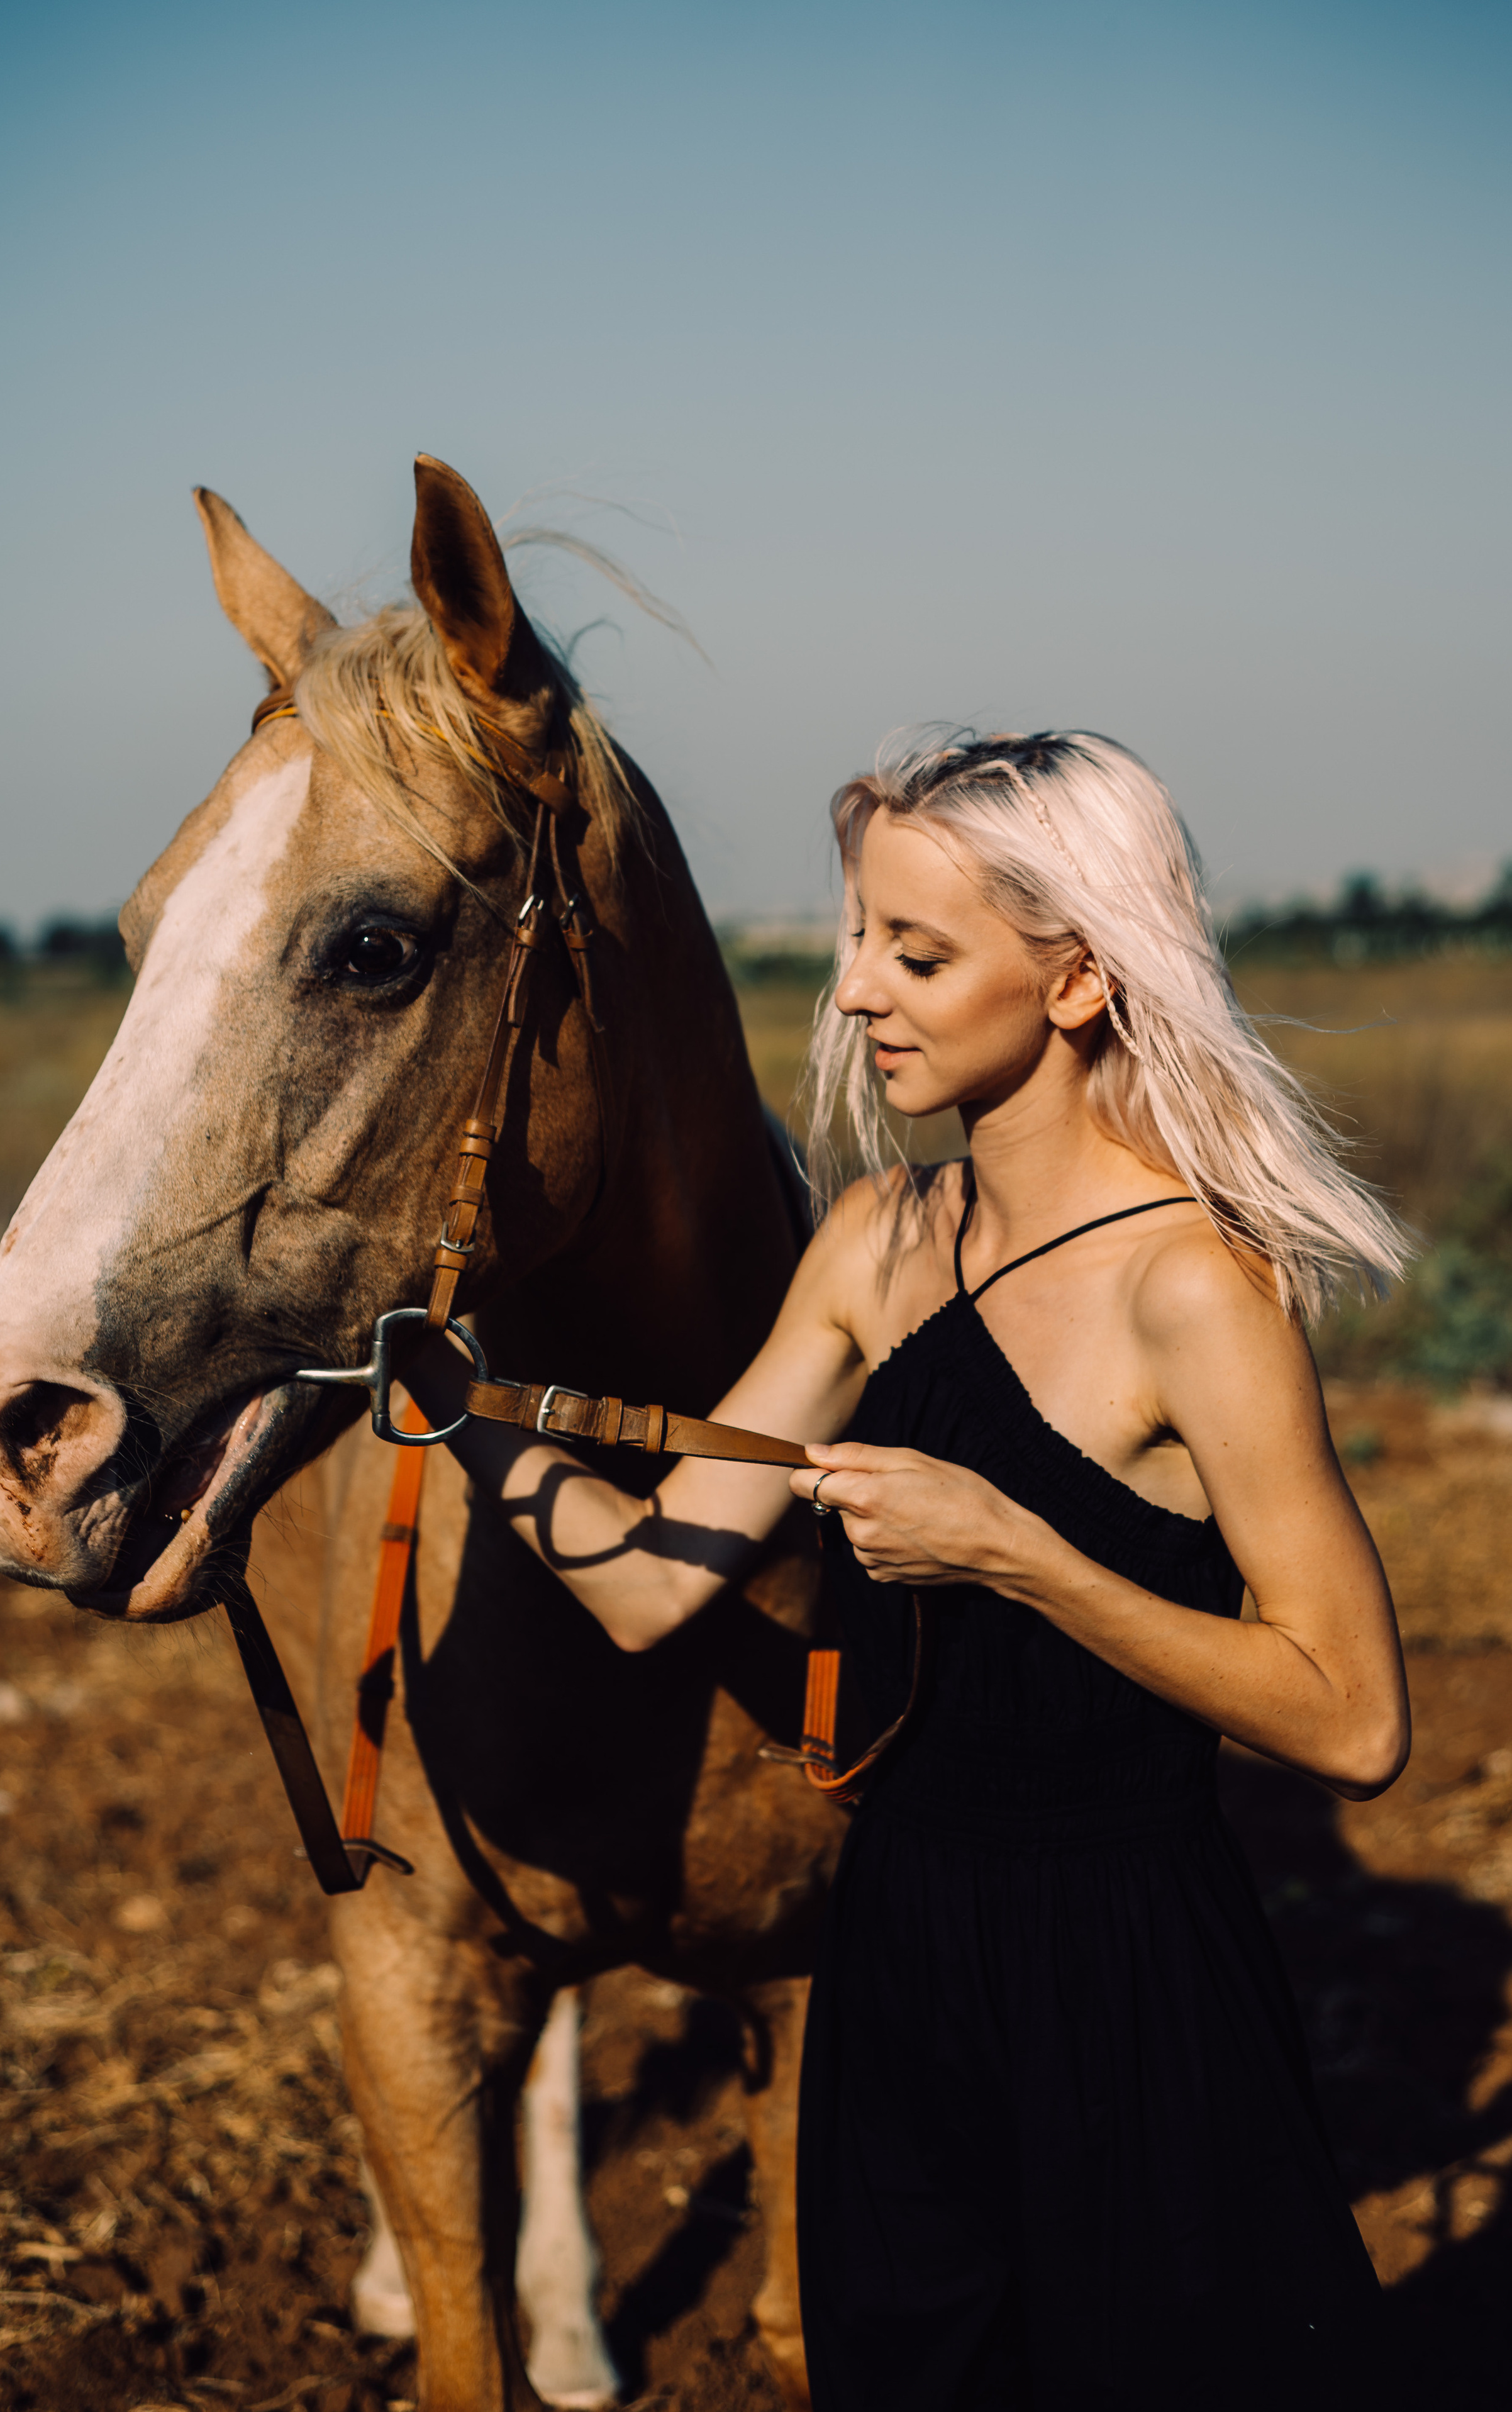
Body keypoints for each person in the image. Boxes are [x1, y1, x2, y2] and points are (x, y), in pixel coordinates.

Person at [409, 727, 1412, 2411]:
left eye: (916, 951)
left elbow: (1355, 1717)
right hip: (894, 1957)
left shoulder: (1197, 1291)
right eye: (860, 934)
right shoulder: (875, 1241)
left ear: (1081, 976)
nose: (855, 989)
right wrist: (470, 1420)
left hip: (1131, 1967)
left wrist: (1018, 1554)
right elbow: (657, 1582)